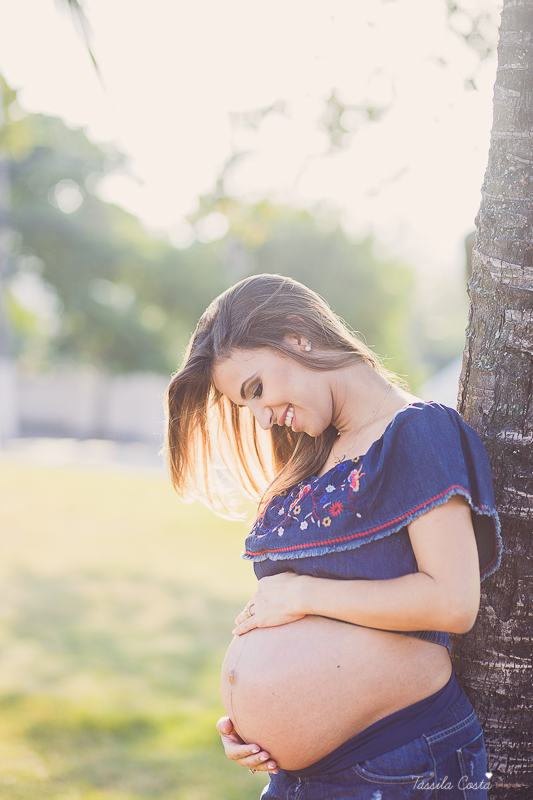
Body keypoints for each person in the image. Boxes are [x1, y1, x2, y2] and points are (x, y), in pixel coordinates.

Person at [165, 273, 501, 799]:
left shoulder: (415, 431)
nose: (260, 417)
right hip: (299, 776)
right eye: (244, 406)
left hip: (400, 761)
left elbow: (453, 601)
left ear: (298, 334)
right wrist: (249, 720)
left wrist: (303, 596)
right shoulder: (314, 456)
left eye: (256, 389)